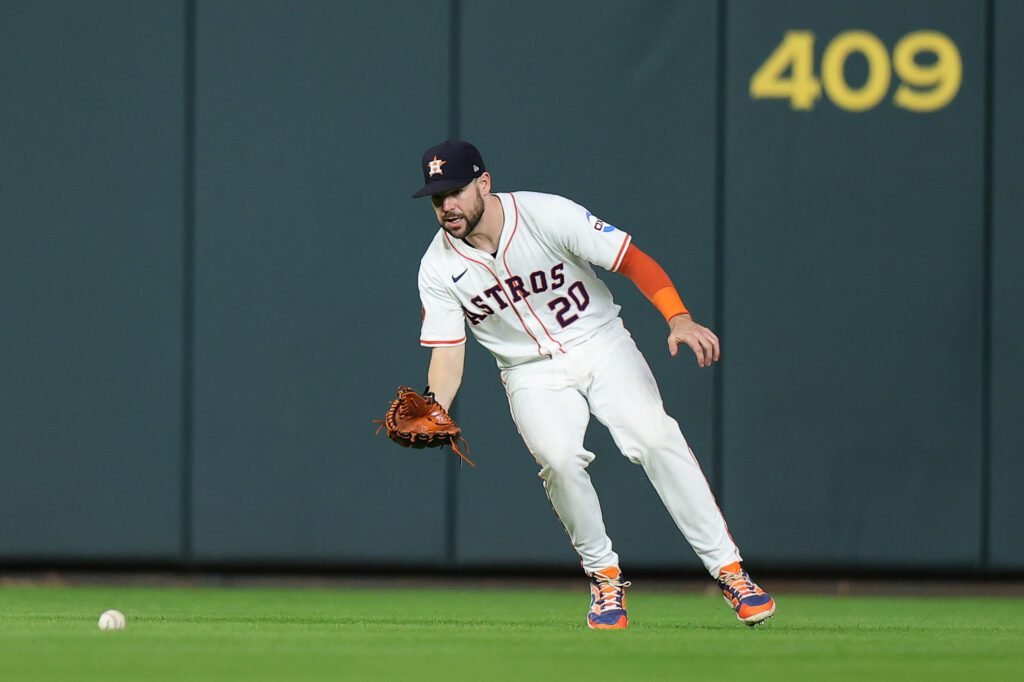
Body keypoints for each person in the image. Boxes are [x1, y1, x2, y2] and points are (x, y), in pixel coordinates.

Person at [412, 139, 775, 629]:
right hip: (529, 372)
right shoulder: (437, 266)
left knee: (654, 436)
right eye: (438, 198)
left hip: (599, 342)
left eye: (456, 191)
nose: (447, 206)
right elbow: (448, 351)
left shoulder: (546, 214)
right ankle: (604, 578)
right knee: (559, 461)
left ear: (484, 183)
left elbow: (632, 260)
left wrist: (678, 317)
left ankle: (730, 571)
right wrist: (435, 405)